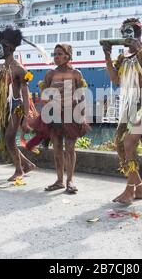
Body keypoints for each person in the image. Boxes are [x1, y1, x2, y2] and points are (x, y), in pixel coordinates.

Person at [102, 18, 142, 205]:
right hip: (129, 105)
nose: (126, 35)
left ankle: (129, 191)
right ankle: (140, 189)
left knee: (129, 143)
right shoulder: (123, 58)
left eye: (130, 32)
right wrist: (107, 56)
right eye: (124, 32)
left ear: (138, 34)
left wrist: (139, 50)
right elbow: (115, 80)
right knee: (121, 145)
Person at [26, 44, 90, 194]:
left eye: (60, 54)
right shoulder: (50, 74)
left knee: (70, 148)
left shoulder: (76, 73)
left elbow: (81, 96)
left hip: (71, 115)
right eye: (54, 54)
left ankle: (70, 181)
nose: (56, 57)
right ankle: (59, 180)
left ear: (68, 56)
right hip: (54, 115)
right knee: (57, 149)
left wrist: (81, 115)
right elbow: (44, 95)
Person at [0, 26, 36, 182]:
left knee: (9, 138)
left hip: (16, 107)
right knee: (7, 140)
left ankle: (19, 170)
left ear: (11, 48)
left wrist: (27, 117)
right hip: (3, 108)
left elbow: (25, 93)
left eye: (2, 45)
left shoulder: (19, 69)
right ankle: (27, 164)